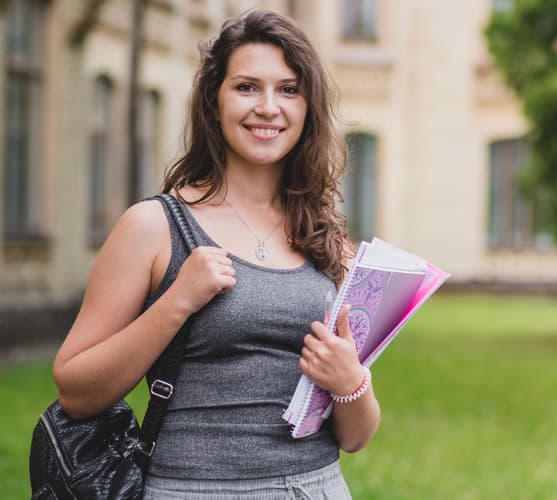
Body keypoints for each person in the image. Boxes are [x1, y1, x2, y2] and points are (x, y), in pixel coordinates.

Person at [52, 9, 380, 499]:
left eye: (288, 90)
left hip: (316, 487)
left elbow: (355, 437)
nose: (268, 107)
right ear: (214, 100)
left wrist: (351, 381)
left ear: (308, 107)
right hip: (192, 489)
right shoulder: (155, 227)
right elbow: (75, 391)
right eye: (246, 87)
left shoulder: (326, 238)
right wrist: (177, 301)